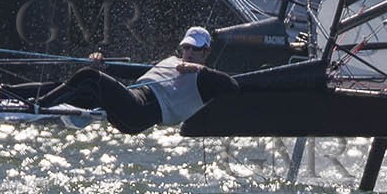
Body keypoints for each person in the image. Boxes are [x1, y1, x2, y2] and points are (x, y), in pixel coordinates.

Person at [38, 26, 240, 134]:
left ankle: (38, 106)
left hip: (140, 113)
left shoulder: (205, 80)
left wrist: (197, 68)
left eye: (195, 49)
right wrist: (104, 66)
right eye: (186, 47)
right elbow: (136, 70)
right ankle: (20, 98)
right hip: (129, 102)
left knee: (88, 76)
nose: (188, 52)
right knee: (70, 87)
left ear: (206, 52)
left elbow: (232, 86)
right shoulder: (171, 61)